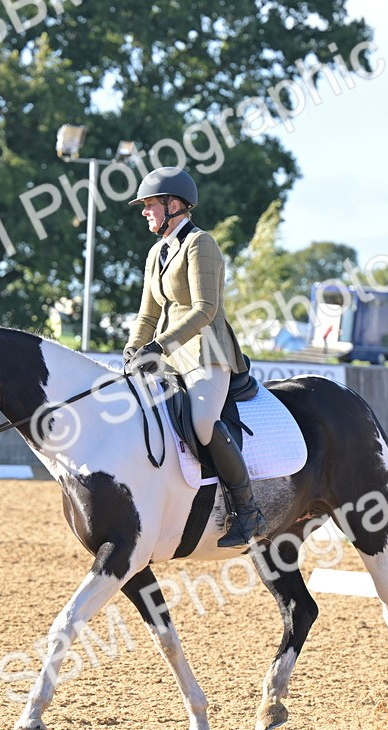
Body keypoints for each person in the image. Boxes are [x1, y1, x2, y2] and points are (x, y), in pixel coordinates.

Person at [123, 166, 268, 548]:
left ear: (173, 205)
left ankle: (248, 510)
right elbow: (147, 314)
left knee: (203, 423)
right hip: (168, 356)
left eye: (150, 204)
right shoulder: (157, 252)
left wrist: (158, 346)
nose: (145, 211)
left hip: (207, 352)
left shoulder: (201, 244)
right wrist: (134, 347)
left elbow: (205, 308)